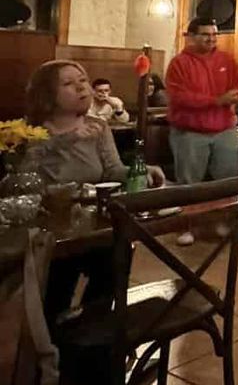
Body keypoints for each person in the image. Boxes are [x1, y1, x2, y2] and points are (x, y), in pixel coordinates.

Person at [25, 61, 164, 317]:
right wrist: (69, 140)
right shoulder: (32, 132)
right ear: (47, 94)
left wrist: (141, 171)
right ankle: (52, 340)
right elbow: (29, 181)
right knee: (56, 290)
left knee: (117, 260)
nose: (81, 88)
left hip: (93, 224)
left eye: (83, 80)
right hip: (52, 231)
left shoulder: (98, 126)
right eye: (68, 83)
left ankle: (93, 328)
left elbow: (113, 170)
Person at [165, 18, 238, 246]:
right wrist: (217, 100)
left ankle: (221, 223)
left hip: (224, 129)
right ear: (191, 36)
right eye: (205, 34)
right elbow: (180, 97)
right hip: (190, 131)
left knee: (227, 180)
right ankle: (185, 227)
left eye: (214, 34)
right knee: (189, 184)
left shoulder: (226, 59)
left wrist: (237, 95)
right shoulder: (179, 63)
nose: (211, 39)